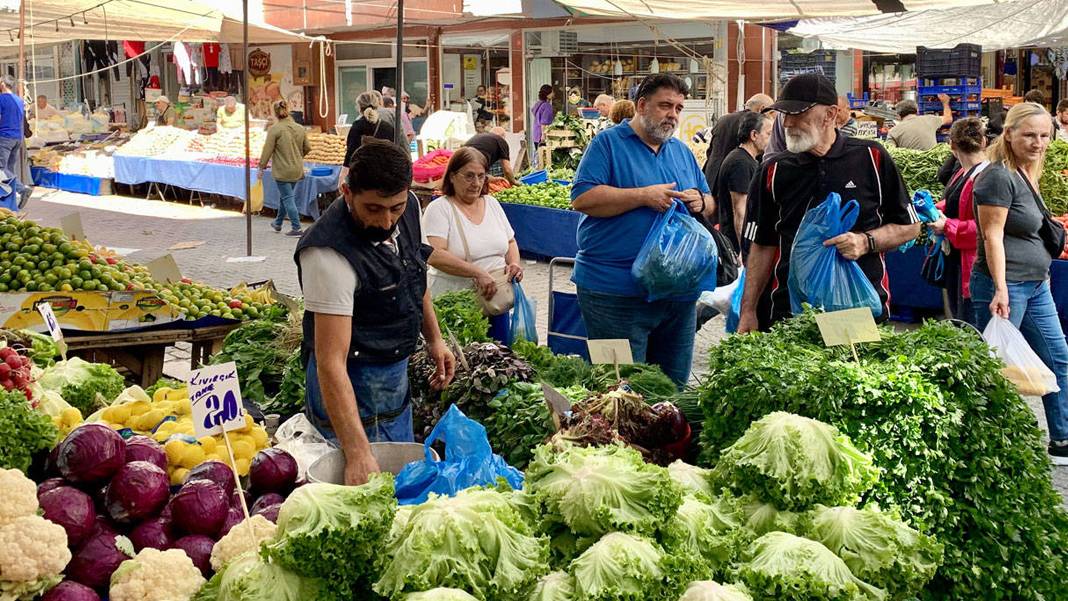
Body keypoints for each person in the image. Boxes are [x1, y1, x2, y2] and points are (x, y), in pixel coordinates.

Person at [295, 141, 456, 485]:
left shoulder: (410, 206)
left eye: (394, 208)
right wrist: (356, 451)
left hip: (392, 374)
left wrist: (435, 339)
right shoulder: (327, 254)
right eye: (373, 208)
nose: (386, 220)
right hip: (348, 382)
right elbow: (330, 361)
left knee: (398, 482)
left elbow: (415, 273)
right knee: (358, 488)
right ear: (346, 192)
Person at [737, 73, 920, 333]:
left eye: (798, 113)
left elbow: (910, 227)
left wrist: (864, 242)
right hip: (789, 313)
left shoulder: (872, 158)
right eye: (783, 114)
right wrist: (748, 311)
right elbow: (762, 246)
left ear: (830, 114)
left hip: (857, 310)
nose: (787, 122)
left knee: (852, 374)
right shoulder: (773, 170)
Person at [570, 74, 713, 387]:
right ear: (641, 105)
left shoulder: (681, 151)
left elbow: (710, 201)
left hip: (677, 294)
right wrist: (642, 196)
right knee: (618, 390)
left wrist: (700, 201)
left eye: (678, 107)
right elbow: (582, 198)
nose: (673, 114)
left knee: (671, 389)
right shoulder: (606, 144)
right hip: (613, 293)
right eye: (665, 105)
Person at [969, 101, 1068, 465]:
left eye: (1044, 135)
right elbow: (991, 235)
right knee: (997, 367)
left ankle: (1062, 439)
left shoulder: (1027, 170)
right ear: (1008, 134)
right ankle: (989, 444)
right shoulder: (997, 176)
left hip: (1036, 283)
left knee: (1058, 357)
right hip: (1006, 285)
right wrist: (1000, 288)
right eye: (1029, 135)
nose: (1038, 142)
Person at [423, 147, 523, 343]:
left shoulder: (492, 204)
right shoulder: (440, 209)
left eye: (481, 176)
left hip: (496, 301)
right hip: (457, 306)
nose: (476, 183)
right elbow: (434, 254)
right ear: (452, 176)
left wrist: (514, 264)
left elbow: (510, 241)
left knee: (500, 360)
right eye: (469, 176)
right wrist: (477, 272)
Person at [928, 117, 989, 323]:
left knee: (969, 324)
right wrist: (934, 209)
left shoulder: (985, 178)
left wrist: (947, 225)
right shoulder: (963, 173)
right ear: (984, 142)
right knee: (959, 320)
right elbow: (954, 202)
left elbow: (984, 229)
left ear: (951, 145)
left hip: (974, 266)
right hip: (957, 262)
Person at [716, 111, 772, 253]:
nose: (771, 140)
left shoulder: (747, 160)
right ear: (754, 135)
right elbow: (740, 211)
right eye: (768, 134)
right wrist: (745, 251)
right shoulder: (740, 163)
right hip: (736, 246)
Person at [703, 94, 774, 194]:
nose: (772, 118)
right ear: (762, 109)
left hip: (711, 180)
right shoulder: (753, 126)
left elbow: (710, 151)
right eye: (771, 113)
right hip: (735, 186)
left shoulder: (723, 120)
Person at [259, 100, 310, 236]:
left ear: (275, 113)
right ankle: (278, 222)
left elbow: (267, 150)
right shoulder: (300, 128)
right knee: (285, 196)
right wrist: (298, 156)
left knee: (287, 197)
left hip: (282, 170)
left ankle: (296, 227)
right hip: (297, 168)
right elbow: (308, 147)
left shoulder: (275, 129)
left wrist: (261, 167)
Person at [342, 91, 396, 185]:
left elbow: (350, 155)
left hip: (363, 176)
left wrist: (342, 178)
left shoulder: (357, 126)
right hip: (384, 175)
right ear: (377, 105)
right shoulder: (387, 127)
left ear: (359, 108)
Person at [887, 96, 952, 150]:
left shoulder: (893, 132)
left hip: (908, 164)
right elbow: (948, 119)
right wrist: (945, 103)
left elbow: (891, 152)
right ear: (917, 111)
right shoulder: (930, 119)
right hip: (933, 163)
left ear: (898, 115)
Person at [0, 76, 26, 201]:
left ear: (3, 84)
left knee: (1, 168)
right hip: (17, 137)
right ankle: (12, 200)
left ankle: (21, 189)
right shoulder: (19, 100)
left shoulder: (1, 99)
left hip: (5, 137)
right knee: (9, 169)